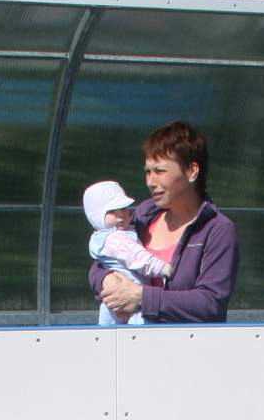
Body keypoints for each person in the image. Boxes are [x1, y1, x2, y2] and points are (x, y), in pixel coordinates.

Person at [89, 120, 238, 325]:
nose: (151, 182)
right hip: (130, 341)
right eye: (148, 172)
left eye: (160, 171)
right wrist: (106, 279)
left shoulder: (218, 230)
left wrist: (142, 297)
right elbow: (101, 261)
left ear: (192, 171)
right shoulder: (141, 218)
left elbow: (211, 304)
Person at [82, 180, 171, 327]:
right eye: (112, 212)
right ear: (96, 217)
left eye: (123, 209)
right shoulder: (117, 239)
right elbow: (138, 259)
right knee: (136, 327)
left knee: (106, 331)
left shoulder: (102, 237)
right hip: (131, 299)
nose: (121, 216)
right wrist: (164, 269)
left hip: (120, 301)